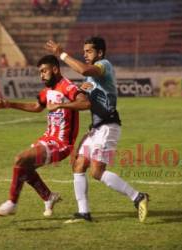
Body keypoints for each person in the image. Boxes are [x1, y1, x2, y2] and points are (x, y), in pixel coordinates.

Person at [45, 37, 149, 223]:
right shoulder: (89, 78)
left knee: (97, 172)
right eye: (84, 51)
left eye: (89, 51)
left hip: (108, 126)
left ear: (100, 53)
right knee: (78, 165)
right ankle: (84, 212)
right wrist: (64, 104)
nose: (85, 54)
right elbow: (84, 104)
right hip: (96, 128)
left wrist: (61, 53)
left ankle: (138, 197)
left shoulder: (103, 65)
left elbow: (84, 69)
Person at [0, 55, 89, 217]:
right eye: (40, 72)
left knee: (20, 159)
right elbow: (37, 106)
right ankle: (48, 197)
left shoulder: (67, 87)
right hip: (47, 139)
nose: (41, 75)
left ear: (55, 69)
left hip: (61, 144)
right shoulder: (48, 90)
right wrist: (10, 104)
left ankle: (12, 203)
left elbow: (85, 103)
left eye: (44, 71)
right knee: (24, 167)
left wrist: (61, 104)